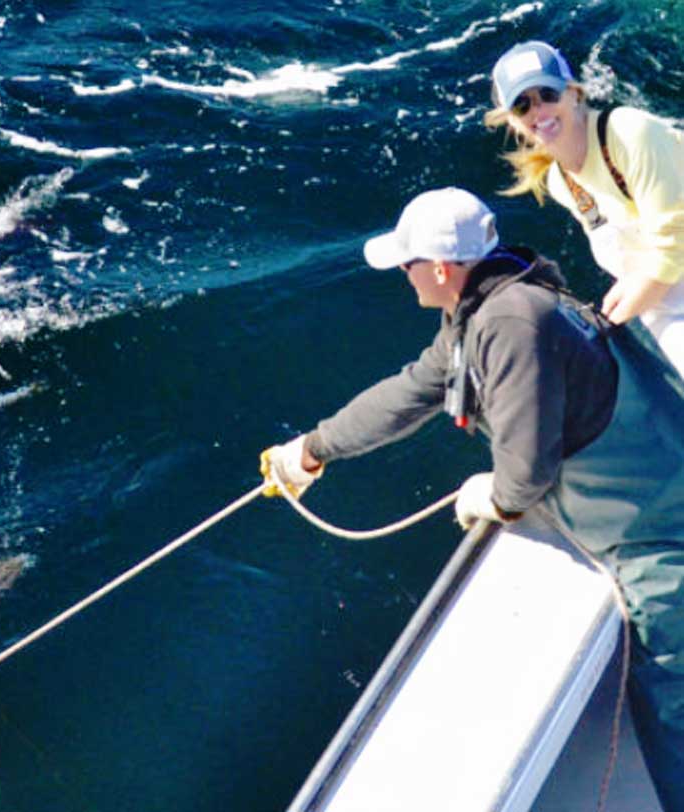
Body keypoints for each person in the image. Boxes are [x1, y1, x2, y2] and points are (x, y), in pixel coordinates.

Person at [260, 186, 684, 811]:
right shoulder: (493, 300)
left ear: (439, 268)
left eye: (407, 264)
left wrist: (491, 497)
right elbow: (412, 391)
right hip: (651, 492)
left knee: (668, 691)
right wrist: (313, 450)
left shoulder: (509, 324)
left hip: (660, 526)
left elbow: (523, 481)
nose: (402, 276)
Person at [485, 40, 684, 376]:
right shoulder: (561, 183)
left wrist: (607, 325)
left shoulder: (628, 133)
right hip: (664, 297)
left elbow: (674, 243)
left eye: (548, 94)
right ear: (512, 122)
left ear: (574, 93)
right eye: (522, 105)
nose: (539, 111)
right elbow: (639, 257)